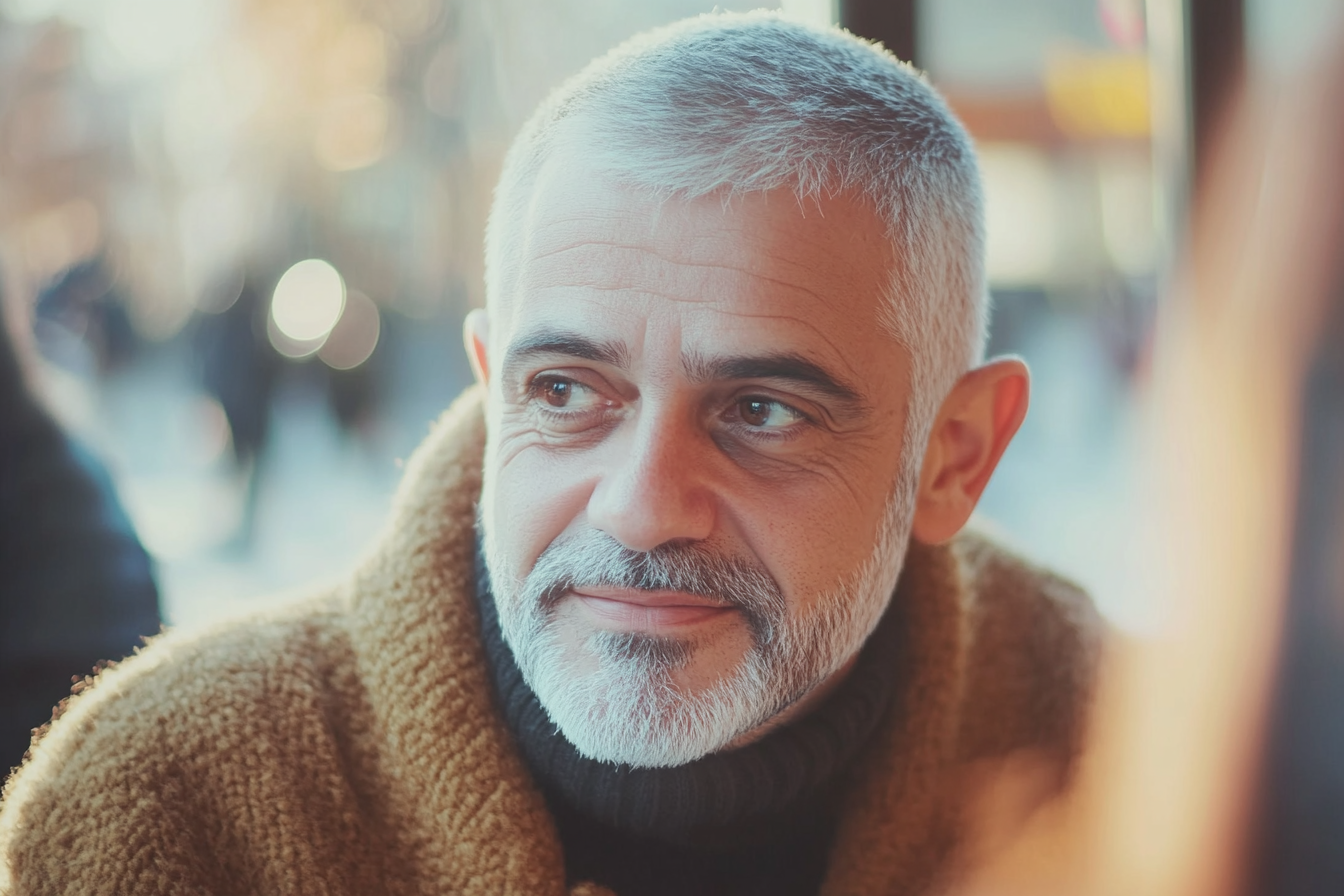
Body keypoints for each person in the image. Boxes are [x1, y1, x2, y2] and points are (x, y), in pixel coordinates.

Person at [0, 13, 1101, 895]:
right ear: (492, 387)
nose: (638, 507)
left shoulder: (1153, 761)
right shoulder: (171, 799)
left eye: (763, 411)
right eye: (567, 392)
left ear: (955, 456)